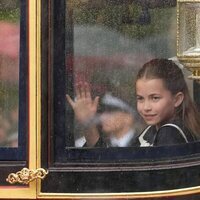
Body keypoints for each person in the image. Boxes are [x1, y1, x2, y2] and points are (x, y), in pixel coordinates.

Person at [135, 58, 200, 146]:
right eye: (140, 98)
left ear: (177, 99)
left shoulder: (170, 133)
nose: (146, 107)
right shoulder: (152, 131)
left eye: (155, 98)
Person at [66, 83, 139, 147]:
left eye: (111, 112)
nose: (103, 116)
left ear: (128, 118)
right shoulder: (99, 142)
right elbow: (95, 149)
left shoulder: (144, 143)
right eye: (102, 112)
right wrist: (87, 121)